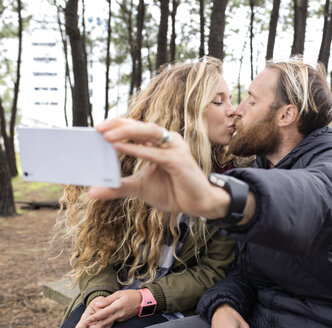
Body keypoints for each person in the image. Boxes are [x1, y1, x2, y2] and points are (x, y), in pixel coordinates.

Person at [88, 57, 332, 327]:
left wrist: (220, 198)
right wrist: (223, 303)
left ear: (285, 115)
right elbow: (244, 272)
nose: (238, 110)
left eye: (251, 100)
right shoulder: (261, 168)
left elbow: (313, 203)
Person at [59, 57, 240, 328]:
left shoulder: (229, 178)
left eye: (230, 100)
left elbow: (212, 272)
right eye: (218, 101)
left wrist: (144, 298)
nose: (233, 110)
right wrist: (99, 297)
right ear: (185, 112)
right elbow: (96, 253)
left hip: (172, 305)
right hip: (114, 292)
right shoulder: (126, 164)